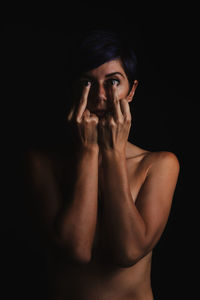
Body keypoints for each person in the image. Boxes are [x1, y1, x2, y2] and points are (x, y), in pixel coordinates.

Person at [24, 29, 180, 300]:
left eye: (113, 82)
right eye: (86, 82)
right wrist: (88, 152)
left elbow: (128, 251)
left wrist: (112, 152)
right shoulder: (42, 164)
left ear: (131, 91)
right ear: (73, 89)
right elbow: (76, 249)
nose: (99, 97)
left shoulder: (158, 165)